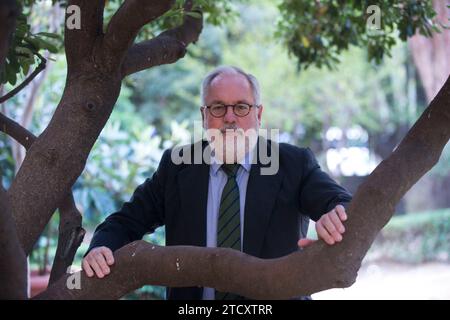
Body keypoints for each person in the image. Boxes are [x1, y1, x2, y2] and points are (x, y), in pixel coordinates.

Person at [82, 66, 352, 300]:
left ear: (258, 115)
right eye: (218, 107)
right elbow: (125, 222)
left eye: (241, 107)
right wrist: (100, 248)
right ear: (204, 116)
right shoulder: (178, 166)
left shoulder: (293, 164)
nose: (230, 117)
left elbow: (342, 203)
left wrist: (334, 215)